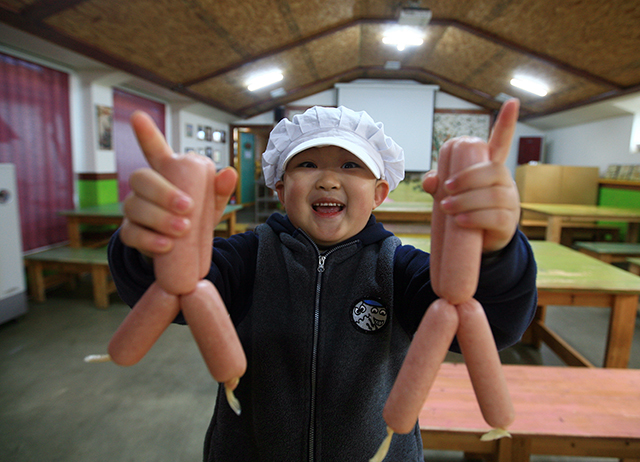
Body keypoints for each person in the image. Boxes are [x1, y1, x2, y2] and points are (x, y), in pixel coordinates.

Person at [108, 101, 537, 462]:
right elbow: (176, 290)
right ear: (279, 186)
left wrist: (497, 251)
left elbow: (491, 323)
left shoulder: (401, 269)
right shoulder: (246, 258)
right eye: (307, 164)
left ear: (380, 192)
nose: (329, 178)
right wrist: (156, 247)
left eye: (351, 165)